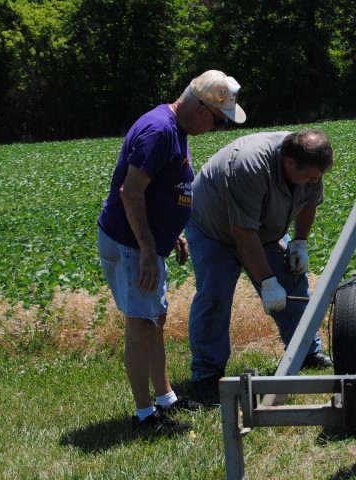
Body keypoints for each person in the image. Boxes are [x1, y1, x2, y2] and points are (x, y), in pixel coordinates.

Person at [97, 70, 246, 433]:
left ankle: (166, 399)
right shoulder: (159, 130)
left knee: (155, 321)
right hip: (131, 244)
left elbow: (162, 187)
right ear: (201, 110)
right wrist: (148, 249)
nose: (218, 128)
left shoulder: (175, 128)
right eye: (219, 121)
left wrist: (169, 233)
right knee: (140, 326)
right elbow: (130, 192)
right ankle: (145, 415)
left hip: (147, 243)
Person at [186, 129, 334, 405]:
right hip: (214, 228)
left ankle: (305, 352)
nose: (314, 182)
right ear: (289, 162)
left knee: (292, 281)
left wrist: (299, 243)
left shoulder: (310, 165)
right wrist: (267, 282)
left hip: (264, 229)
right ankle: (206, 374)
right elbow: (242, 233)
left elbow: (308, 204)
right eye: (309, 177)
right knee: (214, 297)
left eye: (317, 178)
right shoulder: (249, 165)